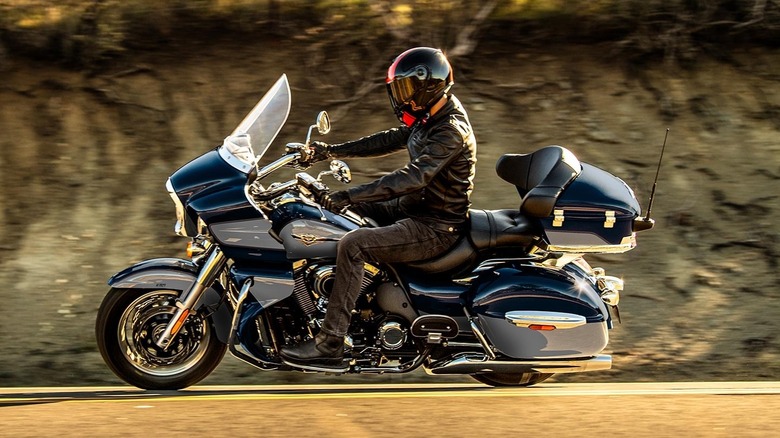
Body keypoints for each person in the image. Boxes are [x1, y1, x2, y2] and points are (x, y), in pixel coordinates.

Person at [279, 47, 477, 372]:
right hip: (414, 208)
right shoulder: (430, 117)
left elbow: (415, 177)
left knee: (353, 244)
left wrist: (351, 195)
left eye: (406, 89)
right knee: (338, 220)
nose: (400, 97)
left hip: (435, 226)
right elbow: (389, 140)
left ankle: (330, 342)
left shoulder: (450, 129)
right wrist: (327, 152)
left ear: (429, 87)